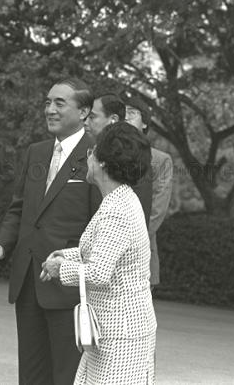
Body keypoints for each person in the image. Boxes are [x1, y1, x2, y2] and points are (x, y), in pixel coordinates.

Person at [0, 78, 102, 385]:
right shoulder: (36, 152)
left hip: (70, 288)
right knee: (31, 375)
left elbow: (99, 225)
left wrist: (71, 266)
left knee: (67, 376)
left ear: (84, 112)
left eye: (60, 103)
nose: (50, 110)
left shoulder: (97, 156)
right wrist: (1, 246)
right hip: (28, 282)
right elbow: (19, 209)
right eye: (47, 102)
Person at [41, 121, 157, 385]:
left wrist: (60, 269)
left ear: (103, 162)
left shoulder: (116, 209)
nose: (88, 156)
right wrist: (63, 255)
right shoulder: (121, 199)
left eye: (93, 151)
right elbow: (98, 252)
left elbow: (99, 272)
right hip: (114, 329)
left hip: (121, 333)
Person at [124, 96, 173, 287]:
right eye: (122, 113)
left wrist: (126, 240)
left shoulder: (160, 160)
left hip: (140, 255)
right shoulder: (100, 155)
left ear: (145, 123)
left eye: (132, 113)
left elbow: (157, 211)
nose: (125, 117)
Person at [83, 93, 152, 224]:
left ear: (113, 119)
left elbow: (139, 215)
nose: (86, 122)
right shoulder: (90, 151)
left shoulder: (133, 155)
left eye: (92, 117)